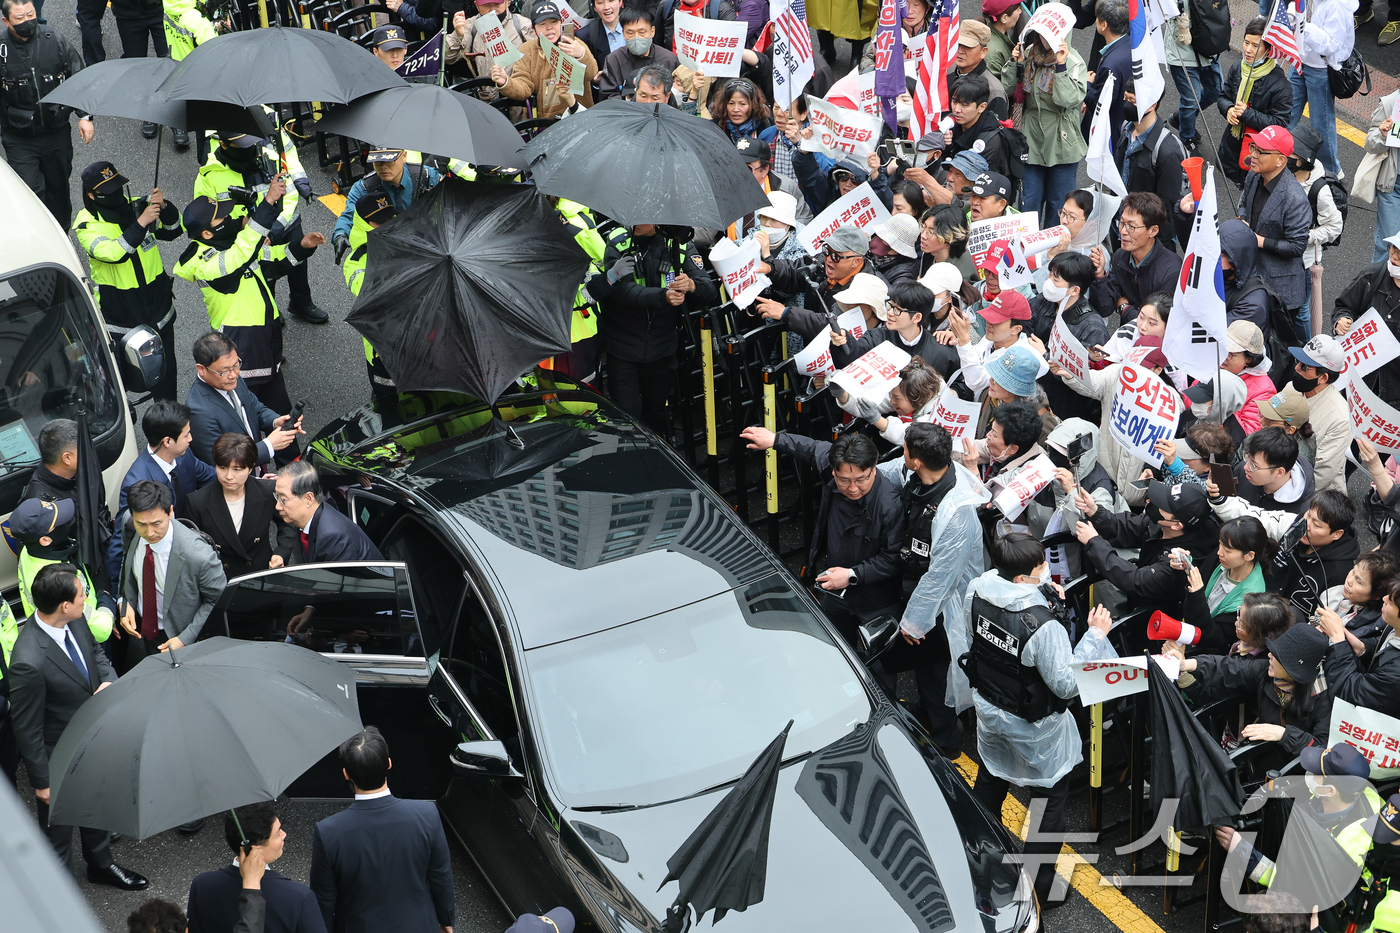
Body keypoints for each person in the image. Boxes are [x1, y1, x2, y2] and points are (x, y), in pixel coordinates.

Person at [957, 531, 1116, 907]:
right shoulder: (1042, 626)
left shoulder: (977, 591)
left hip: (991, 708)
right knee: (1048, 802)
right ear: (1023, 576)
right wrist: (1094, 635)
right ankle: (1038, 888)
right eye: (1041, 566)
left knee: (992, 778)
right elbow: (1064, 685)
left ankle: (978, 858)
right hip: (1036, 728)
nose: (1047, 570)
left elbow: (974, 638)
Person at [8, 564, 147, 890]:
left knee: (95, 807)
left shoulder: (75, 617)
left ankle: (101, 865)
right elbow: (27, 728)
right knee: (58, 832)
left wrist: (109, 681)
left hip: (92, 738)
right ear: (64, 605)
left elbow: (96, 653)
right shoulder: (28, 660)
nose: (88, 598)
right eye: (82, 594)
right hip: (58, 755)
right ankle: (60, 896)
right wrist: (42, 782)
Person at [739, 428, 906, 650]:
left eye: (861, 480)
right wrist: (776, 440)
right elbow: (812, 448)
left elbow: (893, 557)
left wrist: (851, 575)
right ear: (834, 472)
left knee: (877, 666)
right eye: (844, 481)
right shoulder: (832, 465)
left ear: (874, 469)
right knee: (834, 648)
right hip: (835, 591)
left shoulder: (889, 505)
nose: (853, 488)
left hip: (876, 601)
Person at [878, 422, 989, 758]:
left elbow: (941, 578)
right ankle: (929, 713)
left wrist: (915, 622)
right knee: (926, 672)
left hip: (943, 609)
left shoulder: (956, 513)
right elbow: (885, 472)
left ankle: (946, 744)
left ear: (917, 460)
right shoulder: (923, 473)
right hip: (915, 588)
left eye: (906, 450)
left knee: (933, 672)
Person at [176, 177, 325, 418]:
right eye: (222, 218)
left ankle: (291, 456)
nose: (229, 219)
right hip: (240, 342)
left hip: (265, 334)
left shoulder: (233, 242)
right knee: (249, 417)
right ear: (206, 233)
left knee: (280, 413)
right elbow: (240, 255)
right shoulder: (203, 262)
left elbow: (272, 260)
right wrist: (266, 205)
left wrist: (301, 246)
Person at [309, 728, 454, 933]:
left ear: (346, 774)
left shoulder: (329, 832)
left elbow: (323, 900)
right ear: (388, 763)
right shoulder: (426, 814)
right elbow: (441, 876)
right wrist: (446, 921)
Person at [72, 162, 183, 400]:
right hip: (122, 319)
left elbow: (174, 230)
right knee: (119, 389)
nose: (117, 195)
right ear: (91, 195)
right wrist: (141, 222)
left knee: (165, 382)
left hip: (158, 311)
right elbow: (114, 253)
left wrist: (163, 206)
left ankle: (170, 433)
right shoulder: (86, 225)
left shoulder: (137, 208)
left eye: (118, 187)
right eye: (109, 191)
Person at [193, 128, 325, 326]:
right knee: (263, 273)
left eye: (251, 144)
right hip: (250, 235)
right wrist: (252, 231)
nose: (250, 149)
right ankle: (269, 309)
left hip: (285, 222)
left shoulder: (269, 150)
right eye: (242, 146)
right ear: (224, 144)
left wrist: (275, 228)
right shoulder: (210, 176)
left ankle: (301, 302)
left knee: (297, 261)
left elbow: (289, 190)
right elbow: (208, 217)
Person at [599, 222, 717, 432]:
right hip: (622, 348)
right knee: (627, 415)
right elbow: (621, 291)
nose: (633, 222)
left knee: (656, 412)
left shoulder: (680, 245)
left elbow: (709, 290)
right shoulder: (618, 240)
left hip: (662, 349)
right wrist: (663, 296)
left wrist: (692, 285)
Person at [1216, 744, 1381, 886]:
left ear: (1330, 791)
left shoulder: (1347, 844)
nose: (1309, 771)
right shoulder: (1357, 790)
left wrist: (1244, 855)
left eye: (1317, 771)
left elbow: (1296, 885)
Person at [1173, 620, 1331, 757]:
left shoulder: (1323, 698)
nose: (1269, 655)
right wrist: (1186, 664)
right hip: (1262, 757)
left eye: (1278, 655)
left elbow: (1322, 750)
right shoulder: (1265, 672)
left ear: (1294, 668)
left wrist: (1283, 734)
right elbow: (1230, 668)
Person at [0, 0, 93, 226]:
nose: (27, 22)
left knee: (58, 190)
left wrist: (85, 116)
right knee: (31, 192)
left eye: (30, 15)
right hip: (19, 137)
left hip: (56, 133)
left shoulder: (55, 40)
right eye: (20, 18)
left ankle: (62, 238)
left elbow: (78, 76)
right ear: (6, 21)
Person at [114, 479, 226, 659]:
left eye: (156, 524)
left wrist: (185, 639)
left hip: (180, 636)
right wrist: (124, 602)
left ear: (171, 512)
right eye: (141, 524)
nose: (149, 533)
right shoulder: (129, 525)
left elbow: (217, 602)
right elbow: (127, 564)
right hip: (146, 627)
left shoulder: (199, 556)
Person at [1076, 478, 1221, 617]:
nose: (1152, 503)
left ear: (1176, 525)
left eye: (1162, 506)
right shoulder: (1162, 524)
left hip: (1157, 623)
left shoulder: (1177, 562)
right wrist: (1095, 511)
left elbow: (1135, 580)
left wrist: (1094, 542)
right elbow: (1128, 526)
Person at [1210, 487, 1359, 622]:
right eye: (1308, 515)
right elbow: (1257, 516)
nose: (1306, 525)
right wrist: (1220, 500)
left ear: (1336, 534)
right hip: (1254, 608)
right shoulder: (1295, 525)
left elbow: (1322, 623)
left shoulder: (1340, 573)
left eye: (1317, 525)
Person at [187, 802, 326, 933]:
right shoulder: (299, 897)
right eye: (278, 833)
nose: (284, 834)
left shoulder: (201, 885)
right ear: (255, 849)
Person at [1004, 25, 1087, 226]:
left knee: (1059, 206)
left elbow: (1067, 99)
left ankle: (1053, 254)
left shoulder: (1074, 61)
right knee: (1028, 203)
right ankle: (1027, 254)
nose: (1045, 38)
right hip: (1031, 137)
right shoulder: (1028, 52)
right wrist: (1015, 64)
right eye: (1041, 33)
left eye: (1052, 33)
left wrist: (1060, 67)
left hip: (1062, 139)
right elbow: (1007, 87)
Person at [186, 434, 297, 580]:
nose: (229, 476)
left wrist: (281, 552)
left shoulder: (267, 491)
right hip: (220, 578)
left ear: (250, 469)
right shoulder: (197, 501)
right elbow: (192, 549)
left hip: (261, 572)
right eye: (223, 467)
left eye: (237, 469)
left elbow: (287, 521)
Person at [187, 331, 304, 468]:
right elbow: (221, 462)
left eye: (236, 365)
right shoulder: (199, 412)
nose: (234, 375)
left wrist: (275, 421)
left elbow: (254, 407)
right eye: (224, 371)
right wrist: (268, 446)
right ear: (201, 369)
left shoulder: (229, 379)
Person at [11, 498, 113, 644]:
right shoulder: (57, 581)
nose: (66, 522)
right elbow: (102, 630)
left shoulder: (28, 552)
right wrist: (106, 598)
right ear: (45, 540)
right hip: (86, 641)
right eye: (57, 524)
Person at [1173, 515, 1276, 654]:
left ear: (1249, 555)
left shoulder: (1248, 601)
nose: (1219, 552)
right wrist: (1185, 564)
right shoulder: (1224, 560)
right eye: (1220, 543)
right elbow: (1201, 571)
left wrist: (1196, 594)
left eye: (1228, 550)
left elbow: (1213, 637)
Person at [1029, 251, 1108, 424]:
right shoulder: (1045, 301)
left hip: (1068, 410)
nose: (1049, 281)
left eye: (1055, 280)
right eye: (1050, 275)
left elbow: (1087, 379)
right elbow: (1025, 320)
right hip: (1036, 395)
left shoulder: (1092, 327)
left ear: (1074, 290)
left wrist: (1045, 355)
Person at [1213, 18, 1293, 187]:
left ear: (1268, 50)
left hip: (1258, 154)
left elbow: (1279, 124)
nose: (1248, 50)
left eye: (1255, 46)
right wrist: (1228, 109)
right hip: (1231, 146)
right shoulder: (1238, 68)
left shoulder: (1280, 86)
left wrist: (1246, 114)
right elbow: (1223, 97)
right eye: (1246, 42)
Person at [492, 2, 599, 119]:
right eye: (542, 24)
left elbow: (591, 74)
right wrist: (506, 82)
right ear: (533, 29)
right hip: (547, 122)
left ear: (561, 22)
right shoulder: (528, 49)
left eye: (554, 22)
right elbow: (524, 87)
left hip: (580, 116)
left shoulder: (574, 43)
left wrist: (581, 54)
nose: (549, 28)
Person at [1089, 192, 1182, 322]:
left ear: (1153, 231)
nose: (1122, 231)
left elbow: (1156, 323)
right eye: (1121, 223)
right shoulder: (1120, 256)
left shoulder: (1171, 271)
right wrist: (1100, 276)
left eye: (1131, 226)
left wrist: (1124, 308)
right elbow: (1104, 309)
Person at [1118, 78, 1187, 251]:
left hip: (1148, 242)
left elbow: (1167, 208)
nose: (1127, 105)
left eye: (1133, 101)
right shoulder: (1125, 129)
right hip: (1122, 230)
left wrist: (1157, 249)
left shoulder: (1167, 150)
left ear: (1151, 105)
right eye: (1125, 99)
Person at [332, 149, 440, 258]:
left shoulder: (428, 177)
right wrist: (340, 235)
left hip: (425, 245)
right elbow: (349, 215)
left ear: (404, 156)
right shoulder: (363, 188)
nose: (383, 167)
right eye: (378, 162)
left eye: (390, 161)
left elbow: (451, 205)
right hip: (388, 251)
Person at [1290, 0, 1355, 177]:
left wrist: (1303, 24)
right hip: (1299, 61)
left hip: (1320, 69)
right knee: (1286, 111)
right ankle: (1278, 156)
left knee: (1321, 124)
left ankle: (1331, 171)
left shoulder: (1338, 5)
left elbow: (1331, 44)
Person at [1334, 233, 1400, 405]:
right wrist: (1342, 319)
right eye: (1393, 248)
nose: (1394, 256)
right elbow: (1345, 306)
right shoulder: (1370, 276)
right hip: (1360, 379)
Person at [274, 461, 383, 565]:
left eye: (283, 499)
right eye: (277, 497)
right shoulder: (305, 517)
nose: (277, 506)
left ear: (308, 498)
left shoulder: (333, 539)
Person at [1323, 574, 1400, 715]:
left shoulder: (1396, 673)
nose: (1384, 598)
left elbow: (1351, 695)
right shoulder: (1394, 626)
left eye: (1391, 601)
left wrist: (1338, 642)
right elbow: (1387, 647)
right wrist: (1364, 648)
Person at [834, 354, 944, 445]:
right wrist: (841, 393)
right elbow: (868, 406)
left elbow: (913, 436)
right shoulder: (900, 388)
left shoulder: (939, 411)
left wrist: (878, 420)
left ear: (917, 397)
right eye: (891, 395)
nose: (892, 401)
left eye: (896, 398)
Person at [1287, 335, 1349, 494]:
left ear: (1323, 377)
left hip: (1314, 497)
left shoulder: (1339, 417)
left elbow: (1322, 473)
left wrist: (1283, 489)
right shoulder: (1290, 388)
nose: (1297, 368)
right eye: (1298, 361)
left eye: (1305, 366)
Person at [1162, 0, 1224, 158]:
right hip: (1182, 51)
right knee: (1191, 99)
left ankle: (1181, 118)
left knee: (1216, 90)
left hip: (1209, 47)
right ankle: (1187, 138)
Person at [1316, 550, 1400, 658]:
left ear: (1376, 595)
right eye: (1353, 572)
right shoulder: (1335, 593)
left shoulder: (1375, 626)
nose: (1350, 581)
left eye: (1359, 581)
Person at [939, 74, 1016, 184]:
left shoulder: (990, 140)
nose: (957, 109)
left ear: (982, 107)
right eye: (955, 102)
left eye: (964, 105)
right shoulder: (951, 123)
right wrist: (942, 144)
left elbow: (974, 182)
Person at [596, 7, 678, 101]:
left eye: (642, 32)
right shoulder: (614, 60)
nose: (636, 37)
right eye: (630, 33)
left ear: (652, 31)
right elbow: (607, 96)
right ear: (623, 33)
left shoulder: (669, 59)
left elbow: (677, 94)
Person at [1080, 0, 1131, 142]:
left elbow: (1099, 103)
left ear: (1104, 25)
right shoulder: (1129, 45)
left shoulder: (1109, 64)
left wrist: (1087, 85)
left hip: (1109, 134)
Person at [446, 0, 535, 81]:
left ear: (507, 2)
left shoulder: (523, 25)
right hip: (483, 94)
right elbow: (447, 58)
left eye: (497, 4)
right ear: (477, 5)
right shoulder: (470, 26)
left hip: (517, 92)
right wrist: (457, 36)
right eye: (486, 5)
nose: (492, 10)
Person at [949, 20, 1009, 121]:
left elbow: (997, 131)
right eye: (958, 44)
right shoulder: (947, 71)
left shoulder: (994, 90)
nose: (960, 51)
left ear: (983, 52)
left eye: (968, 47)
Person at [917, 205, 977, 284]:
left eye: (931, 232)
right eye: (923, 227)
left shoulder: (960, 275)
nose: (923, 235)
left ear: (950, 237)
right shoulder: (929, 254)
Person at [867, 214, 921, 287]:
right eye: (879, 235)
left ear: (897, 250)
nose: (877, 241)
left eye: (886, 242)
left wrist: (868, 267)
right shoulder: (872, 248)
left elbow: (893, 294)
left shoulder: (904, 274)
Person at [575, 0, 622, 68]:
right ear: (594, 7)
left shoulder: (636, 27)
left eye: (611, 1)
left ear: (620, 2)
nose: (606, 7)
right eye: (600, 2)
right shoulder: (585, 36)